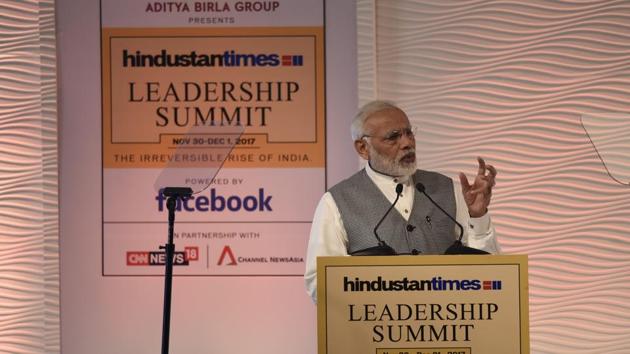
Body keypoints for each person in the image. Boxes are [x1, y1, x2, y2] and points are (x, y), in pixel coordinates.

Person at [304, 100, 500, 302]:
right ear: (363, 148)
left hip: (448, 327)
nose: (407, 143)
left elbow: (488, 271)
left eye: (409, 133)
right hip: (373, 329)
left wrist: (478, 216)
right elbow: (321, 283)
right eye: (393, 137)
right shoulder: (336, 201)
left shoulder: (446, 189)